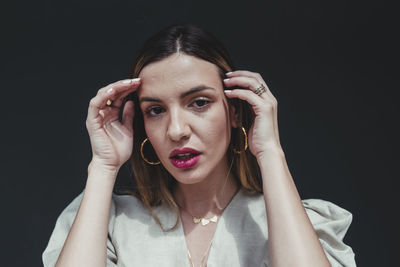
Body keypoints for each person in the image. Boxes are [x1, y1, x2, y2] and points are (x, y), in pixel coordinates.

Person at [42, 24, 356, 267]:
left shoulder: (295, 223)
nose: (176, 130)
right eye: (156, 110)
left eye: (199, 102)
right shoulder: (108, 223)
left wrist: (271, 152)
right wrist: (103, 166)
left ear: (234, 111)